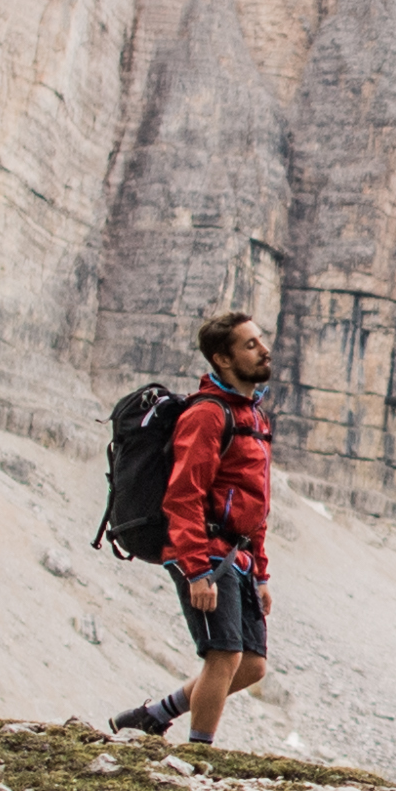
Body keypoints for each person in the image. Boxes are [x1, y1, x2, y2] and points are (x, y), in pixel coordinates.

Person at [109, 309, 275, 744]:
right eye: (250, 345)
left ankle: (153, 715)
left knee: (253, 665)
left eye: (261, 340)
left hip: (237, 556)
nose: (264, 350)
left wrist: (259, 572)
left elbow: (256, 502)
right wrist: (197, 568)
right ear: (222, 359)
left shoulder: (254, 418)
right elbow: (183, 495)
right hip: (205, 553)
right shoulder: (207, 415)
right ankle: (201, 757)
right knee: (224, 654)